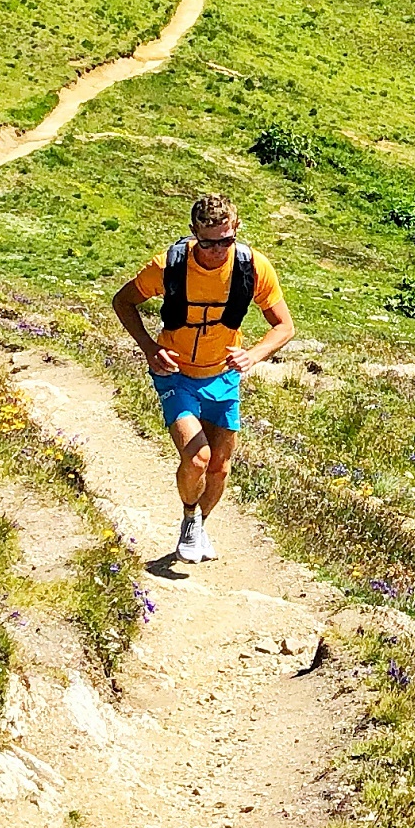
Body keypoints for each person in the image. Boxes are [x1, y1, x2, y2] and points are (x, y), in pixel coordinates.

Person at [111, 192, 293, 567]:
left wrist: (253, 355)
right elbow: (123, 301)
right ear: (193, 233)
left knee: (220, 467)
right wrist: (149, 348)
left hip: (224, 376)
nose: (217, 251)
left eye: (226, 241)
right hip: (176, 374)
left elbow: (284, 326)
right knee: (197, 459)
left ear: (236, 230)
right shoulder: (168, 266)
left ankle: (199, 523)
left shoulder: (253, 268)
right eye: (208, 243)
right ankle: (189, 516)